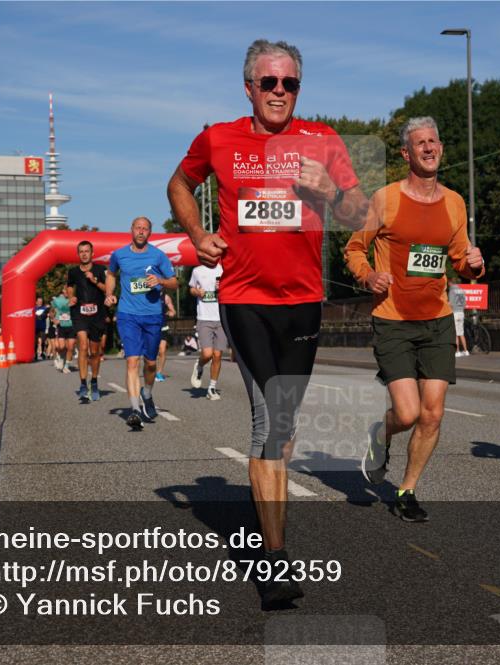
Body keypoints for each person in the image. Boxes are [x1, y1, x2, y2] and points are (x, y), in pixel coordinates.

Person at [167, 38, 367, 607]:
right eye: (269, 82)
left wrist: (329, 191)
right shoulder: (219, 138)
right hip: (244, 298)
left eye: (290, 83)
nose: (279, 92)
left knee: (284, 423)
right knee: (270, 424)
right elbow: (179, 184)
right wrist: (197, 235)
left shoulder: (322, 141)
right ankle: (273, 561)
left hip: (303, 302)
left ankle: (269, 517)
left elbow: (359, 213)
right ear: (249, 87)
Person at [346, 117, 484, 522]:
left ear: (441, 148)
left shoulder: (455, 202)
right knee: (406, 414)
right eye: (419, 143)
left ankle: (406, 490)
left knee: (433, 413)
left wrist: (473, 264)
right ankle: (381, 434)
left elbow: (459, 257)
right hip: (393, 319)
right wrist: (368, 275)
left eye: (433, 141)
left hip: (438, 318)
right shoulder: (385, 199)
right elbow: (355, 248)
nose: (428, 148)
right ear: (406, 153)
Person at [105, 216, 178, 429]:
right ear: (131, 230)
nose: (141, 231)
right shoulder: (119, 255)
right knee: (132, 361)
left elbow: (175, 282)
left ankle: (147, 392)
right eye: (138, 228)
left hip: (153, 315)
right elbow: (111, 274)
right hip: (128, 314)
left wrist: (161, 280)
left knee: (151, 363)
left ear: (150, 233)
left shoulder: (158, 256)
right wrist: (109, 294)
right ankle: (135, 409)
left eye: (145, 229)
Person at [67, 240, 108, 402]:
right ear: (78, 254)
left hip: (97, 314)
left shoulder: (100, 270)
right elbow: (69, 287)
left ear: (92, 253)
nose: (84, 254)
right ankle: (83, 384)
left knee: (95, 351)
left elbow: (107, 289)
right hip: (80, 312)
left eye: (87, 251)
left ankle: (94, 381)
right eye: (81, 251)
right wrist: (71, 297)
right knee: (82, 346)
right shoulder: (73, 272)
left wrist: (95, 280)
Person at [189, 262, 228, 400]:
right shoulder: (197, 270)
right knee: (207, 354)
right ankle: (199, 366)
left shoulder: (224, 269)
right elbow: (191, 289)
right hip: (204, 318)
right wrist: (197, 292)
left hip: (222, 318)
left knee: (217, 355)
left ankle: (212, 388)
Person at [51, 285, 75, 372]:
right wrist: (54, 319)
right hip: (61, 325)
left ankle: (66, 366)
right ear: (63, 291)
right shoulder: (57, 300)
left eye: (69, 290)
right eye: (66, 290)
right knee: (61, 347)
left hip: (72, 325)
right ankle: (61, 357)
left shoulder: (74, 299)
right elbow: (52, 311)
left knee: (71, 347)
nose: (67, 292)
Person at [155, 293, 176, 382]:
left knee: (162, 350)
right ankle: (151, 370)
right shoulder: (148, 295)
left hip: (163, 326)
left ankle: (159, 373)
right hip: (150, 326)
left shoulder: (166, 297)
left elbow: (173, 311)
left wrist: (171, 312)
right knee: (152, 351)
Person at [449, 282, 470, 358]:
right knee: (461, 333)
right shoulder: (461, 290)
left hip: (455, 313)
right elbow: (464, 304)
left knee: (455, 333)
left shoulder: (452, 290)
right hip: (461, 312)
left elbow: (450, 303)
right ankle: (466, 350)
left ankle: (457, 351)